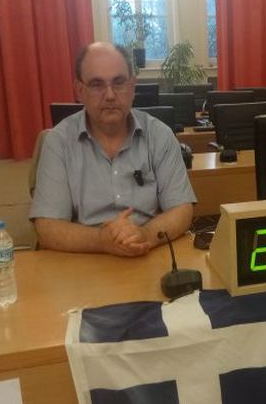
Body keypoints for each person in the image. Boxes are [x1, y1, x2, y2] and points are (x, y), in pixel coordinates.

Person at [29, 42, 196, 257]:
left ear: (132, 87)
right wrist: (102, 240)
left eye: (118, 83)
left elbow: (182, 209)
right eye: (96, 84)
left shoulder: (159, 135)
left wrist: (144, 235)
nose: (109, 95)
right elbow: (48, 227)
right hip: (83, 257)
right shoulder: (58, 142)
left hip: (149, 251)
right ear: (79, 91)